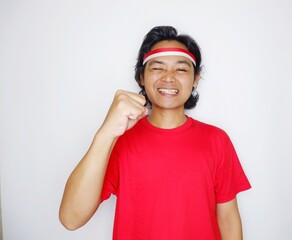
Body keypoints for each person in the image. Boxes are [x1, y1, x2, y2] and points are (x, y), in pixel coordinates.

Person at [59, 26, 251, 240]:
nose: (169, 78)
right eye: (158, 68)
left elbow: (228, 220)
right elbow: (71, 218)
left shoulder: (217, 140)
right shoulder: (119, 140)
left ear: (195, 79)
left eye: (181, 69)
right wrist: (106, 132)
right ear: (141, 76)